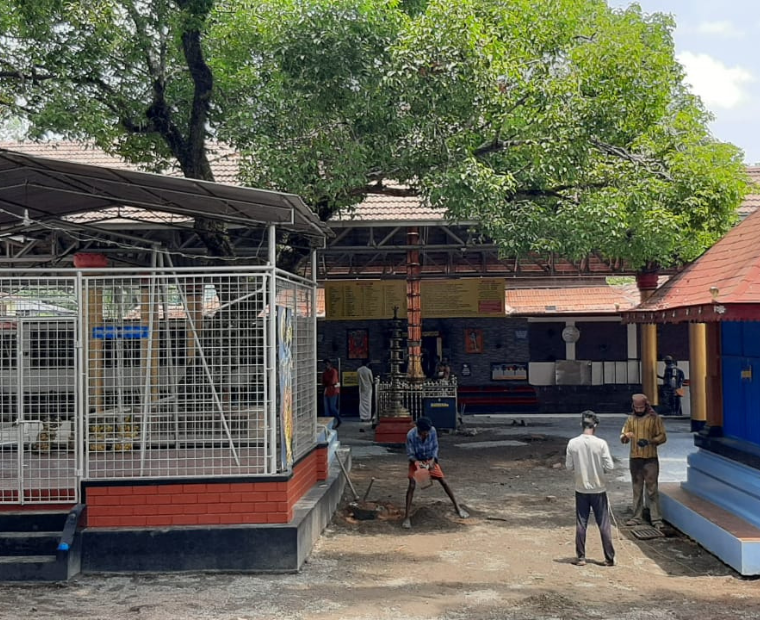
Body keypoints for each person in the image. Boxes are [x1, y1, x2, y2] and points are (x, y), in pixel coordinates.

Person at [565, 411, 615, 567]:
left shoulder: (573, 443)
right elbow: (610, 467)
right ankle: (609, 558)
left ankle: (581, 557)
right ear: (596, 426)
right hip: (599, 488)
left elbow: (569, 466)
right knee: (604, 524)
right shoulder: (601, 444)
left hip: (581, 488)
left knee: (581, 522)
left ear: (581, 424)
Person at [402, 416, 469, 529]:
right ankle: (407, 517)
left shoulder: (432, 431)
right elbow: (410, 455)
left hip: (430, 459)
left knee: (443, 481)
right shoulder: (410, 436)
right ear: (419, 430)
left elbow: (435, 447)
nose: (427, 434)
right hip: (416, 461)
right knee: (412, 485)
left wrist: (433, 460)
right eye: (424, 432)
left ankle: (457, 507)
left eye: (427, 432)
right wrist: (419, 465)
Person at [620, 393, 668, 529]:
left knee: (652, 489)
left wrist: (651, 441)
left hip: (650, 458)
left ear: (646, 406)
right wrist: (626, 436)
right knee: (637, 489)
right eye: (637, 407)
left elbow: (663, 436)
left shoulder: (654, 418)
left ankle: (656, 519)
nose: (639, 410)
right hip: (635, 458)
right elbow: (623, 436)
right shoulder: (630, 419)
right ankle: (636, 517)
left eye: (641, 407)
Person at [322, 359, 341, 427]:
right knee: (326, 408)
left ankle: (338, 419)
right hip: (328, 390)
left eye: (327, 364)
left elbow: (332, 381)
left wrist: (327, 383)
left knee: (332, 407)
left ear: (330, 364)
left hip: (333, 390)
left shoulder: (333, 371)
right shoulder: (325, 372)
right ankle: (328, 424)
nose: (326, 366)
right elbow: (324, 382)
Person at [356, 360, 373, 425]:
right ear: (367, 364)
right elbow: (371, 380)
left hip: (361, 388)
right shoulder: (369, 370)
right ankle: (368, 417)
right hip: (368, 388)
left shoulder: (358, 370)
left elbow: (357, 379)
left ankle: (362, 416)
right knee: (368, 403)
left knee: (362, 403)